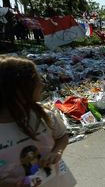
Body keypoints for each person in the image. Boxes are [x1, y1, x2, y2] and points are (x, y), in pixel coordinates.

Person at [0, 56, 76, 187]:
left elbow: (62, 137)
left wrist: (56, 152)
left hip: (58, 182)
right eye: (36, 80)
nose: (42, 84)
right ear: (18, 89)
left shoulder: (44, 114)